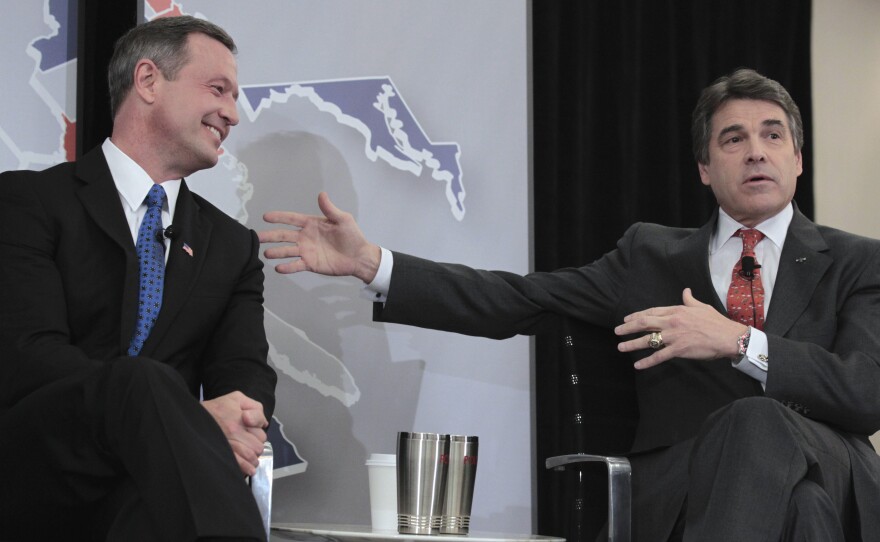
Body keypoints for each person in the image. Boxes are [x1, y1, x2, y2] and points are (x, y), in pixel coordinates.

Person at [258, 68, 880, 541]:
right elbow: (519, 299)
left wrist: (738, 342)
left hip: (827, 460)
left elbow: (865, 392)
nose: (756, 151)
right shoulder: (649, 256)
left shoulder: (858, 261)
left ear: (798, 159)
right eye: (733, 139)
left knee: (766, 430)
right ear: (703, 167)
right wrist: (375, 264)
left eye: (773, 136)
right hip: (687, 491)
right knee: (806, 511)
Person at [0, 16, 276, 541]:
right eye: (218, 89)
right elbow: (29, 357)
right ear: (148, 80)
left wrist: (227, 420)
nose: (232, 114)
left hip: (148, 485)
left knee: (154, 497)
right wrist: (179, 417)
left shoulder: (232, 247)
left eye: (235, 98)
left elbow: (244, 377)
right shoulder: (28, 203)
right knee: (142, 381)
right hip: (40, 472)